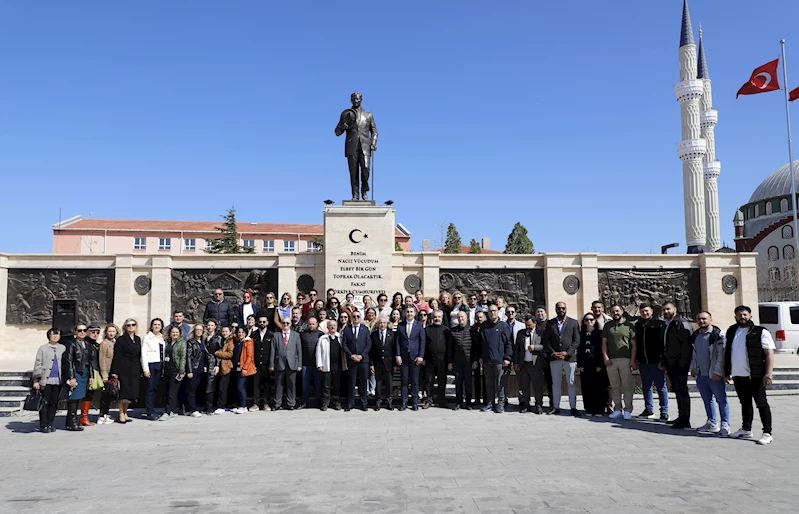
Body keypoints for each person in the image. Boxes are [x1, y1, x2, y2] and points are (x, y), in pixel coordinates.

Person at [724, 305, 775, 445]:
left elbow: (769, 353)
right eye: (740, 315)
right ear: (735, 317)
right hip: (738, 375)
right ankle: (746, 429)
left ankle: (767, 432)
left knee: (761, 403)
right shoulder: (731, 331)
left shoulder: (760, 332)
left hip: (756, 375)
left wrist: (768, 374)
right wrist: (726, 372)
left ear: (750, 316)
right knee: (745, 403)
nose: (742, 317)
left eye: (745, 314)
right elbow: (726, 352)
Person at [690, 311, 729, 435]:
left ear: (710, 320)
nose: (701, 321)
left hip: (714, 374)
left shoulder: (717, 335)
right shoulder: (696, 335)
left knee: (721, 400)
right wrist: (694, 368)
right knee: (707, 400)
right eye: (699, 319)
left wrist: (718, 371)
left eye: (704, 319)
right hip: (701, 375)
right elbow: (694, 354)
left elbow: (720, 356)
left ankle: (725, 424)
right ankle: (711, 422)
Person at [334, 91, 378, 200]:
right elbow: (337, 132)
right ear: (351, 100)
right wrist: (343, 127)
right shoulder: (347, 114)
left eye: (357, 99)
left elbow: (374, 132)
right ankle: (355, 195)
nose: (355, 101)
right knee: (353, 172)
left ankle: (364, 190)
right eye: (353, 99)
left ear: (361, 99)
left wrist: (373, 143)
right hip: (352, 146)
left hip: (365, 146)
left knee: (365, 169)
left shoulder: (368, 114)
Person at [658, 301, 693, 429]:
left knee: (681, 391)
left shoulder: (681, 323)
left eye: (668, 309)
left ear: (675, 309)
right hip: (672, 364)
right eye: (664, 310)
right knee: (677, 391)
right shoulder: (669, 324)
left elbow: (686, 345)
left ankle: (685, 420)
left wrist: (683, 363)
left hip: (679, 364)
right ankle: (681, 417)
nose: (666, 312)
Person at [542, 302, 581, 416]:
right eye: (559, 308)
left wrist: (567, 353)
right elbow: (546, 341)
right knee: (556, 383)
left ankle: (573, 407)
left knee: (571, 382)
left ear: (566, 309)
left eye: (563, 308)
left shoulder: (573, 323)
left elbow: (576, 340)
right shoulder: (550, 323)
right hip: (555, 358)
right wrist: (553, 353)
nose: (561, 310)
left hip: (569, 358)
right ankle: (556, 406)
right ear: (555, 309)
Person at [601, 305, 637, 420]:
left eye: (617, 311)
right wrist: (605, 358)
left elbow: (634, 346)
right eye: (613, 311)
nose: (615, 313)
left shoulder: (629, 326)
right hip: (611, 360)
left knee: (627, 386)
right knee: (614, 386)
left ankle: (627, 410)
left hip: (625, 359)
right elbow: (604, 344)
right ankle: (617, 409)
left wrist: (632, 360)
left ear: (622, 311)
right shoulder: (608, 326)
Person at [634, 303, 668, 420]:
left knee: (661, 387)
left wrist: (662, 360)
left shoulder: (659, 324)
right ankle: (648, 409)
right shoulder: (638, 325)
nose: (645, 313)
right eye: (642, 311)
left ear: (652, 311)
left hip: (656, 361)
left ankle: (664, 411)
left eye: (647, 311)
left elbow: (664, 344)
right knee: (646, 386)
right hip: (643, 362)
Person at [479, 305, 513, 413]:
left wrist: (507, 357)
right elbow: (479, 343)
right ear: (488, 313)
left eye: (494, 311)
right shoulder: (484, 326)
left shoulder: (503, 326)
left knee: (500, 384)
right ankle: (490, 403)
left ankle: (501, 403)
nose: (492, 313)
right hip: (487, 360)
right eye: (490, 311)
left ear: (498, 312)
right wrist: (480, 357)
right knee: (488, 383)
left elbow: (509, 343)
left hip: (500, 360)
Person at [63, 322, 96, 431]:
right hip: (76, 372)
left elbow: (90, 362)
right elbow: (69, 362)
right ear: (75, 332)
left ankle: (69, 423)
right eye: (79, 330)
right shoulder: (71, 344)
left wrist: (91, 376)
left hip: (85, 373)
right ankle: (72, 423)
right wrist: (71, 377)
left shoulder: (88, 345)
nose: (82, 332)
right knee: (73, 398)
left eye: (84, 330)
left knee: (79, 397)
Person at [32, 328, 65, 432]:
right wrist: (35, 380)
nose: (55, 336)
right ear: (49, 336)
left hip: (58, 380)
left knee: (53, 403)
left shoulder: (63, 348)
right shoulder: (43, 348)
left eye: (57, 334)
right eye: (53, 334)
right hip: (45, 380)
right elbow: (38, 364)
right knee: (44, 402)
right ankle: (43, 424)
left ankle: (50, 423)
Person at [110, 318, 142, 424]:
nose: (131, 327)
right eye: (128, 325)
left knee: (131, 392)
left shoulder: (137, 339)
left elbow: (139, 355)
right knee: (123, 391)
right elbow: (117, 356)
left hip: (135, 368)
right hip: (123, 368)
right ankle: (121, 413)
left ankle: (125, 412)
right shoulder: (121, 339)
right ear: (125, 327)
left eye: (133, 325)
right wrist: (114, 371)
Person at [395, 305, 426, 411]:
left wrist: (421, 356)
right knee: (404, 381)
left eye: (411, 312)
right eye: (407, 312)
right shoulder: (400, 325)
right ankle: (404, 403)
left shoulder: (419, 325)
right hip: (403, 357)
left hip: (415, 357)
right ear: (405, 313)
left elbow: (422, 342)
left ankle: (414, 403)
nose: (409, 314)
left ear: (415, 313)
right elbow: (398, 342)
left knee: (415, 381)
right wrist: (398, 355)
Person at [515, 315, 547, 414]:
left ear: (535, 323)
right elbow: (517, 349)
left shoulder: (540, 333)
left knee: (537, 386)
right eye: (526, 325)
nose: (527, 327)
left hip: (536, 364)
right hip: (524, 364)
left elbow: (545, 347)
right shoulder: (521, 333)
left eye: (529, 325)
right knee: (525, 386)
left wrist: (535, 347)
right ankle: (526, 405)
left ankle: (538, 405)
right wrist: (516, 362)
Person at [342, 310, 371, 411]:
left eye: (358, 316)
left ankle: (364, 403)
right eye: (354, 317)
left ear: (361, 318)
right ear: (351, 318)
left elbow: (368, 344)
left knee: (363, 382)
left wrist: (362, 356)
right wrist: (351, 355)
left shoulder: (365, 329)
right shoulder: (347, 329)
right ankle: (351, 403)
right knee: (351, 382)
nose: (356, 318)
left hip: (363, 360)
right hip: (352, 360)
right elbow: (344, 344)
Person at [577, 313, 606, 417]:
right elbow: (579, 350)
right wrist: (580, 364)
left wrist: (599, 364)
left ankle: (599, 409)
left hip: (597, 364)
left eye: (591, 319)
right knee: (586, 387)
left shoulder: (600, 333)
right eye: (586, 320)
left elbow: (601, 350)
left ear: (595, 321)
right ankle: (588, 408)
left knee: (598, 387)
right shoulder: (581, 334)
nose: (589, 322)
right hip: (585, 364)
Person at [270, 317, 302, 410]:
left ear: (291, 324)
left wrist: (299, 364)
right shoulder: (276, 335)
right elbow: (273, 350)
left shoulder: (296, 335)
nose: (286, 325)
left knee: (291, 385)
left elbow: (299, 350)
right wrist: (271, 364)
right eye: (284, 323)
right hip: (279, 363)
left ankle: (291, 403)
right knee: (278, 385)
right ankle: (277, 403)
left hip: (292, 363)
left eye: (288, 323)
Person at [317, 319, 347, 410]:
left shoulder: (340, 337)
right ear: (327, 327)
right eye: (330, 325)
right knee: (326, 386)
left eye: (334, 325)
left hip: (338, 365)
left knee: (337, 385)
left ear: (337, 326)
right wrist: (319, 364)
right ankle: (325, 403)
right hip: (327, 365)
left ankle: (336, 402)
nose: (332, 327)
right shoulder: (323, 338)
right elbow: (318, 352)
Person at [449, 311, 476, 410]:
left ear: (466, 318)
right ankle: (458, 402)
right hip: (457, 361)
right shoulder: (453, 331)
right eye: (459, 317)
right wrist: (450, 361)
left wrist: (475, 360)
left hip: (468, 361)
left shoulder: (472, 330)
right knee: (458, 383)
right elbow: (450, 348)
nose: (461, 319)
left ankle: (468, 402)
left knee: (468, 383)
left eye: (462, 317)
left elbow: (475, 346)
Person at [424, 309, 451, 408]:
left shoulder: (446, 330)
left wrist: (449, 361)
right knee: (429, 381)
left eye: (439, 317)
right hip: (430, 360)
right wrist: (423, 358)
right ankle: (429, 400)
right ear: (432, 318)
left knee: (442, 381)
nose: (437, 318)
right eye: (435, 317)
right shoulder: (427, 329)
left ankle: (441, 400)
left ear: (442, 318)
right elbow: (424, 345)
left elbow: (449, 346)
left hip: (443, 360)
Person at [159, 327, 187, 421]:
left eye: (176, 332)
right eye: (173, 332)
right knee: (167, 391)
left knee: (172, 391)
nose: (175, 334)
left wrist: (181, 371)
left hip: (175, 369)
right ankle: (174, 410)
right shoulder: (166, 342)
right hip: (166, 368)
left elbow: (183, 357)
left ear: (180, 333)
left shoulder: (182, 343)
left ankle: (167, 411)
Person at [141, 318, 165, 421]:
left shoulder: (162, 337)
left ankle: (153, 410)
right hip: (151, 365)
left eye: (158, 325)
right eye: (155, 324)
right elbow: (143, 354)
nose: (156, 326)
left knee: (155, 388)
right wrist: (145, 369)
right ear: (151, 326)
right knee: (150, 389)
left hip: (160, 364)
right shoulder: (147, 338)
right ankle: (149, 412)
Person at [370, 316, 395, 410]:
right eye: (380, 323)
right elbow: (371, 351)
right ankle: (378, 402)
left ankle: (389, 402)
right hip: (378, 363)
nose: (382, 324)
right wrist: (371, 364)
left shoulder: (392, 334)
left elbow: (395, 349)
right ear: (378, 324)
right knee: (378, 383)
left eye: (384, 323)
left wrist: (395, 364)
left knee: (389, 383)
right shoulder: (374, 335)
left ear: (387, 324)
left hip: (389, 363)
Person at [97, 323, 120, 425]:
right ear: (106, 332)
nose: (111, 333)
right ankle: (102, 415)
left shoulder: (115, 342)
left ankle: (106, 414)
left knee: (111, 394)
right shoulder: (104, 343)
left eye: (113, 331)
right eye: (109, 331)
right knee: (106, 395)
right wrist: (104, 375)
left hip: (114, 372)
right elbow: (102, 360)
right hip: (107, 372)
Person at [250, 315, 273, 411]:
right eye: (260, 322)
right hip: (256, 364)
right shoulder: (253, 335)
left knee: (267, 384)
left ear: (267, 322)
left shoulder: (271, 335)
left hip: (267, 364)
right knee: (256, 385)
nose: (262, 323)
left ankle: (266, 403)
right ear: (257, 323)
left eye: (264, 322)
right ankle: (255, 403)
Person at [300, 317, 324, 409]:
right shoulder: (302, 334)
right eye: (310, 324)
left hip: (317, 363)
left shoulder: (320, 334)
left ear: (317, 324)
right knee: (304, 384)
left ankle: (318, 402)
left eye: (313, 324)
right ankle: (304, 402)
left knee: (318, 383)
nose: (311, 326)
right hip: (305, 363)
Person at [230, 327, 255, 414]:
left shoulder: (248, 342)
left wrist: (245, 368)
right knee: (237, 387)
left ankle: (244, 406)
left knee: (241, 387)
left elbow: (249, 356)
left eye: (242, 332)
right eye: (239, 332)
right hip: (237, 368)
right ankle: (239, 405)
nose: (240, 334)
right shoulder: (238, 342)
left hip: (244, 368)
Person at [81, 323, 102, 427]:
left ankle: (84, 416)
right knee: (85, 394)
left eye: (97, 332)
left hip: (95, 370)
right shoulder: (86, 344)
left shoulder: (96, 344)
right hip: (88, 372)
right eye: (93, 332)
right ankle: (83, 417)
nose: (95, 334)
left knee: (90, 393)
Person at [504, 305, 524, 407]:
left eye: (512, 312)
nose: (510, 314)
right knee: (504, 378)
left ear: (515, 313)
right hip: (506, 355)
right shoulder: (502, 325)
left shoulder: (521, 326)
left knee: (520, 378)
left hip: (518, 355)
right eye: (508, 312)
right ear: (505, 314)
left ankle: (522, 399)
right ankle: (504, 399)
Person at [185, 323, 207, 417]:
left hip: (201, 369)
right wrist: (189, 370)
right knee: (192, 390)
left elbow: (204, 355)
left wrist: (205, 366)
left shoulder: (202, 342)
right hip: (194, 369)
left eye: (200, 330)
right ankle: (192, 409)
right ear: (194, 331)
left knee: (198, 390)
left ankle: (195, 407)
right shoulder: (191, 342)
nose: (199, 331)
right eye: (197, 329)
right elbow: (188, 357)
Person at [534, 306, 554, 411]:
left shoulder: (550, 324)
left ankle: (552, 403)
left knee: (550, 381)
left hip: (548, 357)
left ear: (545, 313)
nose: (540, 314)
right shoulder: (534, 325)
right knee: (539, 383)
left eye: (541, 312)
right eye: (538, 312)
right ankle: (539, 404)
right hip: (536, 358)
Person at [213, 326, 234, 413]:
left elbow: (230, 354)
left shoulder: (230, 341)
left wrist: (217, 353)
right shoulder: (222, 340)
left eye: (226, 331)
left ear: (230, 332)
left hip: (226, 367)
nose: (224, 333)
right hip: (221, 366)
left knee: (223, 387)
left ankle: (221, 406)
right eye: (223, 331)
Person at [204, 319, 222, 415]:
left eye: (212, 325)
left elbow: (219, 352)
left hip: (213, 363)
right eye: (208, 325)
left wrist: (217, 365)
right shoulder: (204, 337)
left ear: (215, 326)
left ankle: (210, 407)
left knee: (210, 386)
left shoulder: (218, 338)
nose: (210, 327)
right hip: (205, 363)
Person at [471, 310, 487, 405]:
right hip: (475, 356)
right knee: (476, 379)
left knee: (486, 379)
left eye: (481, 317)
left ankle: (485, 398)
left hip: (485, 356)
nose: (479, 319)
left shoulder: (487, 327)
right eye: (477, 317)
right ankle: (477, 398)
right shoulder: (473, 328)